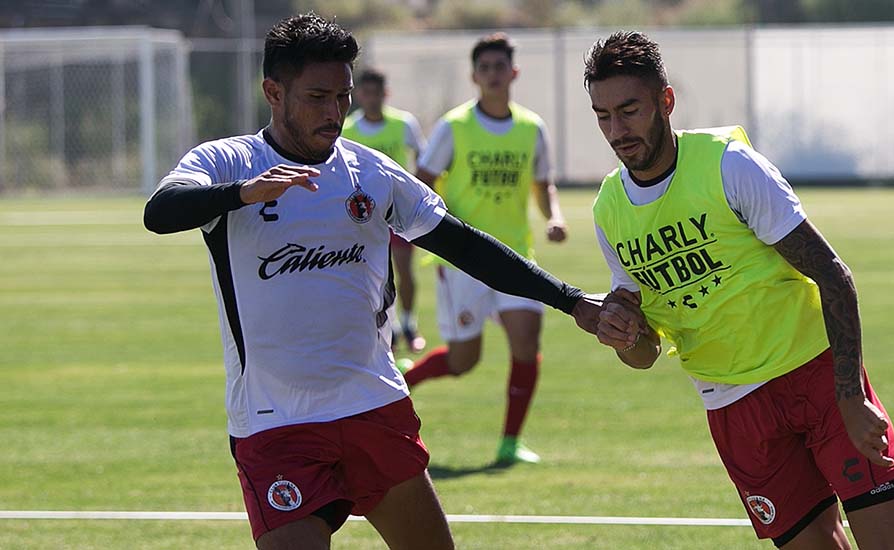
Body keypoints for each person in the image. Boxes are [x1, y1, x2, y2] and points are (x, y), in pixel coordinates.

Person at [142, 14, 601, 550]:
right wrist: (242, 193)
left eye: (344, 96)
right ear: (273, 91)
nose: (335, 113)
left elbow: (463, 244)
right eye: (318, 96)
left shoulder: (371, 171)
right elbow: (161, 211)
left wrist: (572, 301)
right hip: (276, 425)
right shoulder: (227, 161)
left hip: (373, 408)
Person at [584, 31, 894, 550]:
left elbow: (833, 275)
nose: (616, 130)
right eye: (602, 115)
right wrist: (622, 335)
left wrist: (851, 396)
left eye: (628, 110)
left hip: (818, 379)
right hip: (735, 410)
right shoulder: (608, 210)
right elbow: (645, 352)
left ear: (665, 101)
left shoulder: (728, 166)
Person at [402, 32, 568, 465]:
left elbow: (542, 182)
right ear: (475, 76)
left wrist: (554, 216)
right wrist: (434, 228)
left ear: (513, 72)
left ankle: (510, 442)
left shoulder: (532, 127)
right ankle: (407, 378)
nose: (494, 75)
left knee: (526, 341)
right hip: (463, 260)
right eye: (485, 68)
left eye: (501, 67)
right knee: (463, 361)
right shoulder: (454, 126)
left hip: (514, 255)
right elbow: (423, 178)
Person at [341, 68, 428, 353]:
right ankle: (378, 329)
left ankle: (408, 323)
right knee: (366, 274)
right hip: (362, 214)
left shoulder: (403, 124)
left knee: (403, 270)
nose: (371, 98)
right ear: (359, 95)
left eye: (376, 92)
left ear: (385, 94)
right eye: (365, 92)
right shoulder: (350, 128)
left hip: (398, 211)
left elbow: (422, 159)